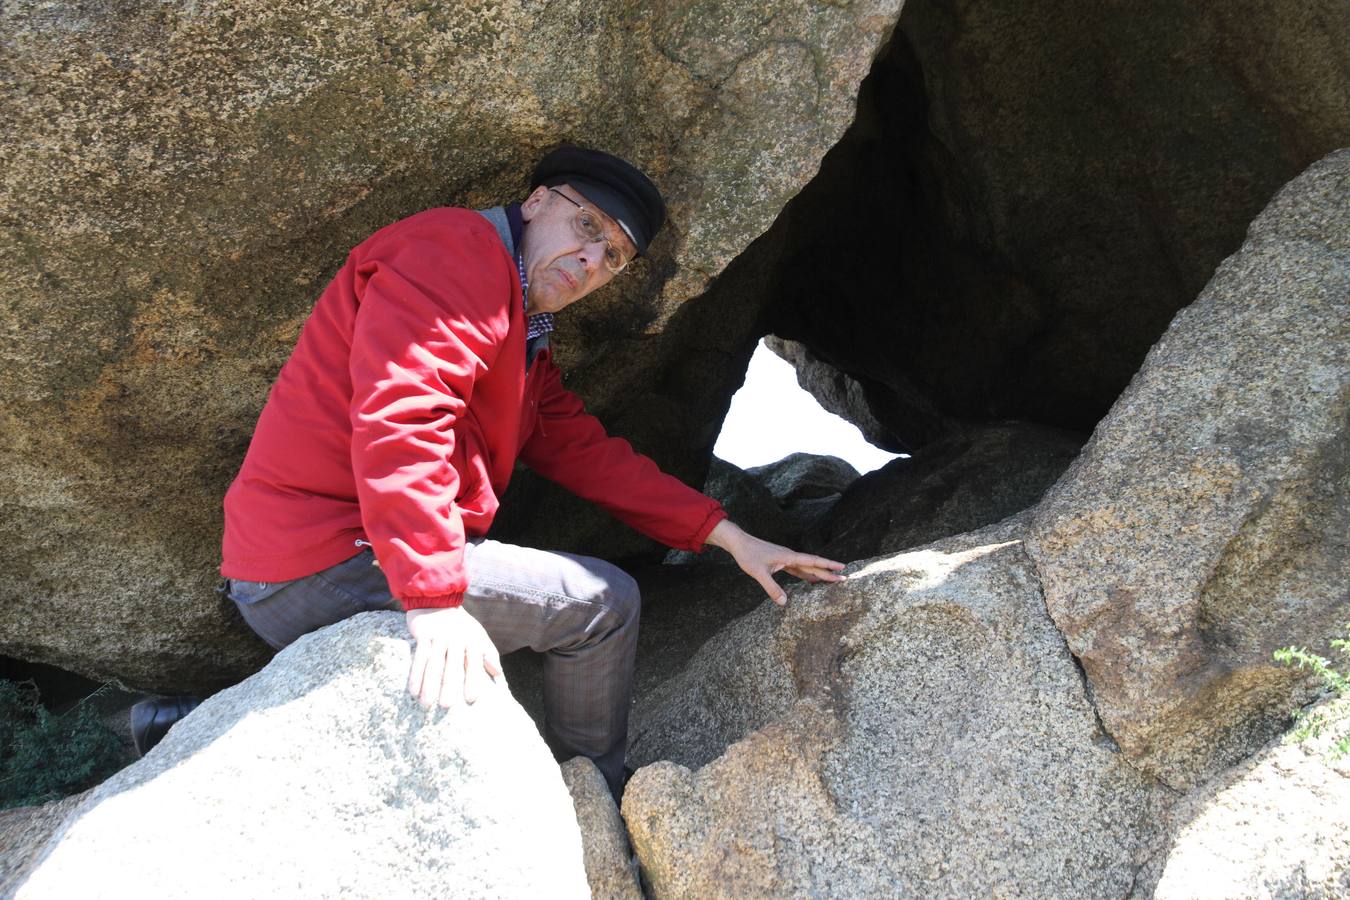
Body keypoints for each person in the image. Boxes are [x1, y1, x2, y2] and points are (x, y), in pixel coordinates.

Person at [139, 147, 845, 799]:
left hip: (298, 566)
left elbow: (586, 453)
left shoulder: (523, 338)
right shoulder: (456, 251)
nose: (590, 257)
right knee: (602, 604)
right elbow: (403, 416)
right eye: (586, 223)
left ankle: (188, 722)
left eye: (613, 256)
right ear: (537, 202)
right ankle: (592, 798)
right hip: (325, 557)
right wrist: (434, 600)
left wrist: (727, 535)